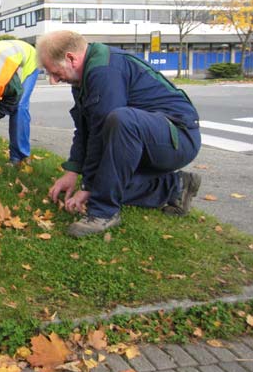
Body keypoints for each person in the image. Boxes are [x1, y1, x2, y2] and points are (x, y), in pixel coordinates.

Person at [37, 30, 202, 238]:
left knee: (122, 120)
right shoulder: (82, 78)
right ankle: (175, 187)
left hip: (178, 137)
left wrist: (88, 185)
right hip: (148, 136)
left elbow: (100, 131)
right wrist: (72, 171)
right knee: (107, 181)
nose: (52, 80)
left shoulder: (104, 70)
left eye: (53, 72)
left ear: (71, 58)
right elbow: (85, 128)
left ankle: (104, 212)